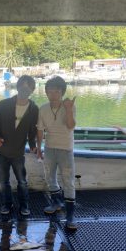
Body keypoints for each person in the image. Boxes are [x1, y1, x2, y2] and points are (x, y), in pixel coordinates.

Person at [0, 75, 38, 216]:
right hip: (2, 152)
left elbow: (32, 130)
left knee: (22, 182)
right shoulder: (3, 104)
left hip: (19, 153)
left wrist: (32, 144)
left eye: (29, 86)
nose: (25, 89)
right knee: (4, 182)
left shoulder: (34, 108)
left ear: (32, 90)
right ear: (17, 87)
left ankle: (24, 206)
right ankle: (7, 205)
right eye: (23, 86)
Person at [37, 76, 77, 230]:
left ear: (62, 92)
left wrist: (68, 109)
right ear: (46, 92)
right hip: (49, 148)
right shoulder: (43, 108)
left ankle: (70, 216)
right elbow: (40, 129)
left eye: (57, 90)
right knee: (49, 176)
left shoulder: (69, 106)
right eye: (50, 90)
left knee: (68, 181)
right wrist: (39, 147)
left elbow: (71, 125)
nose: (53, 93)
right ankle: (56, 202)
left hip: (66, 148)